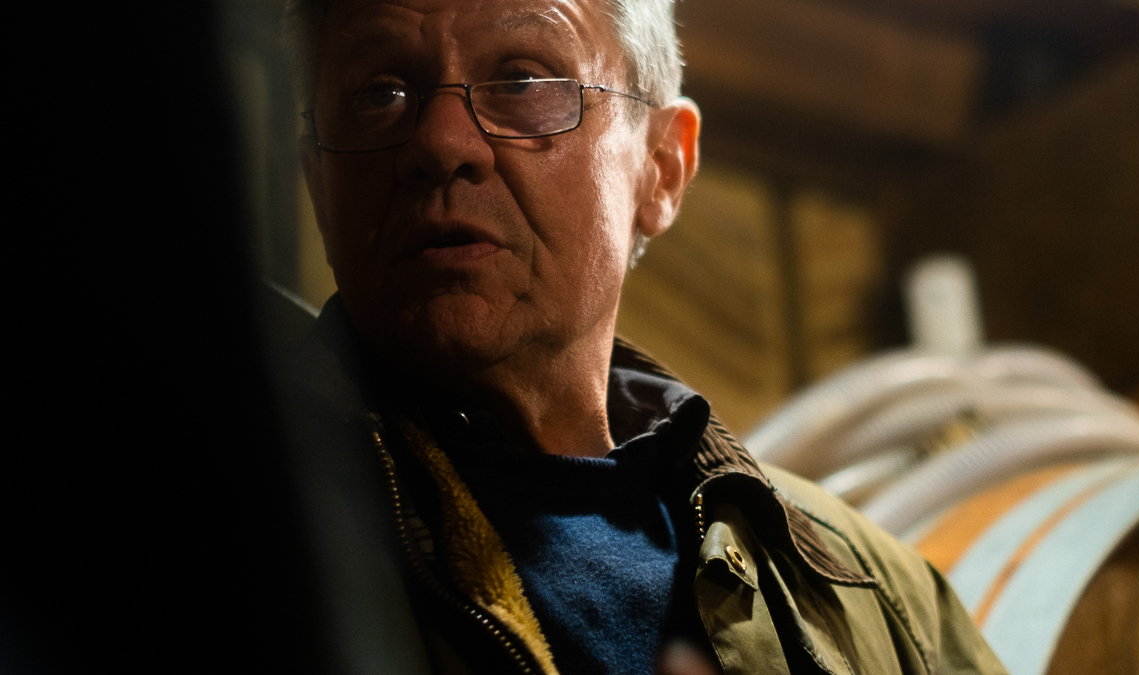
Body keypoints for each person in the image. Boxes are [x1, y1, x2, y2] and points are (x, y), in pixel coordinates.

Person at [280, 0, 1009, 673]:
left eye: (522, 79)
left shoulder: (879, 598)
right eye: (379, 93)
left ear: (662, 167)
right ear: (318, 184)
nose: (440, 141)